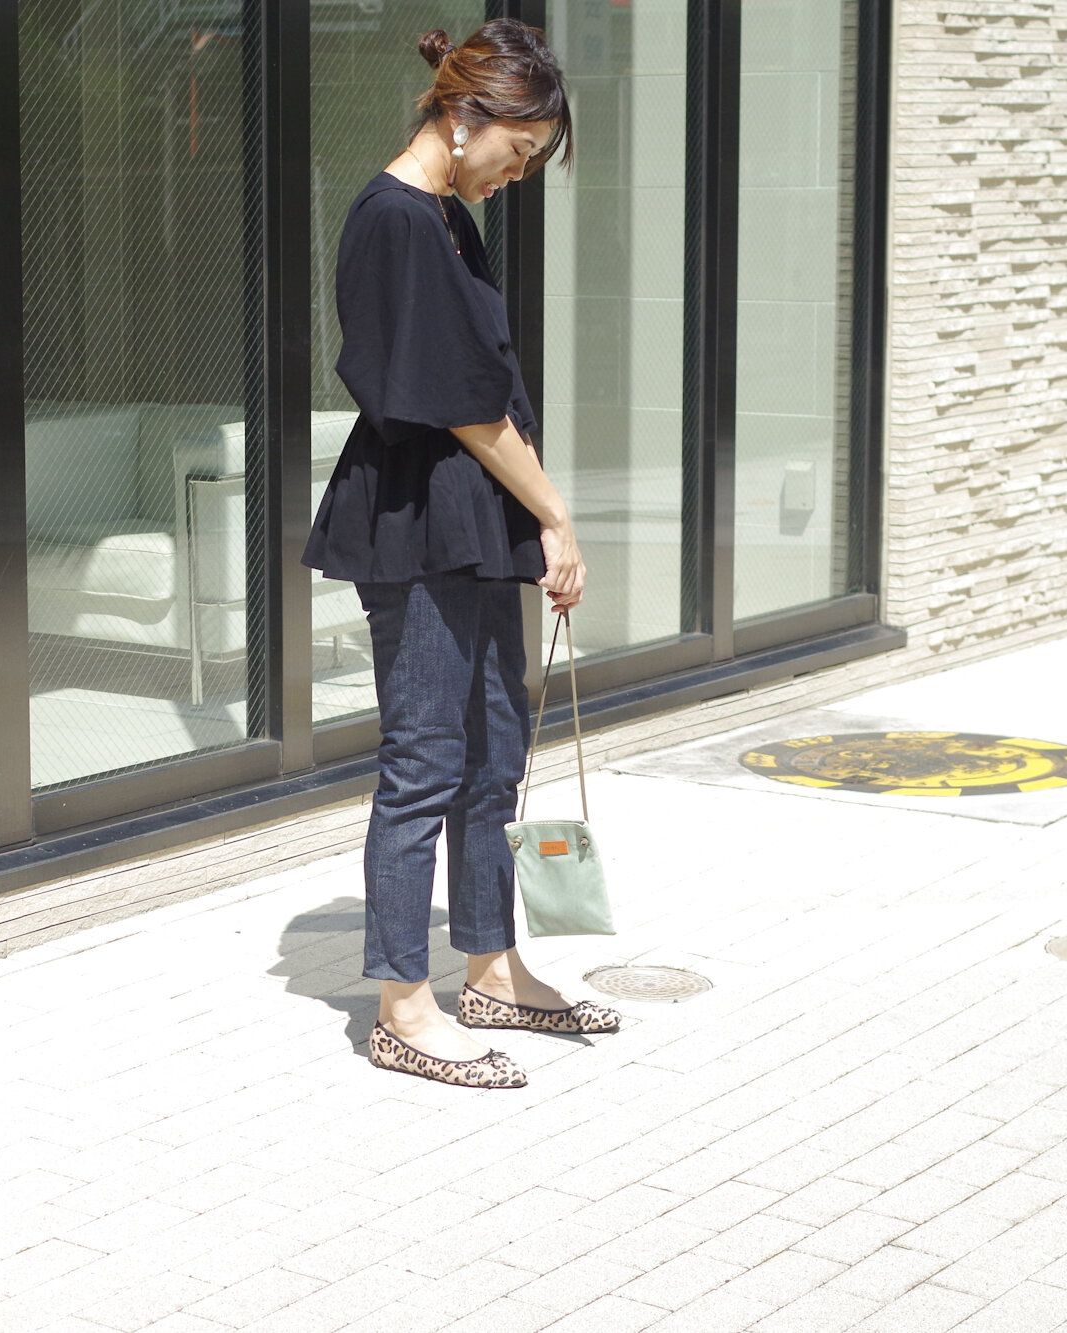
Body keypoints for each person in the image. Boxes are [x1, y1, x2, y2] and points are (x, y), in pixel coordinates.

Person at [303, 19, 622, 1090]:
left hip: (472, 520)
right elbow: (465, 408)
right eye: (517, 152)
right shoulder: (394, 218)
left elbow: (490, 394)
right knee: (424, 763)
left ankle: (491, 967)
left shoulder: (445, 217)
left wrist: (531, 517)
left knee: (491, 756)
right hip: (416, 521)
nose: (516, 174)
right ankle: (402, 1005)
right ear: (462, 115)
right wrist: (555, 516)